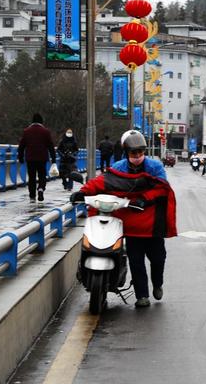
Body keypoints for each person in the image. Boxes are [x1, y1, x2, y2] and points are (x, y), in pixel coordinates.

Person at [71, 130, 176, 308]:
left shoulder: (155, 167)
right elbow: (101, 182)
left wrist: (144, 199)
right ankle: (142, 296)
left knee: (158, 259)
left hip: (152, 224)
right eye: (134, 153)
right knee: (136, 262)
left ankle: (157, 284)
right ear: (127, 153)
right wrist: (83, 192)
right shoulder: (118, 168)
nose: (137, 157)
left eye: (140, 153)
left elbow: (162, 189)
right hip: (131, 225)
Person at [18, 113, 56, 202]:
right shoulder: (46, 131)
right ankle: (41, 189)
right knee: (42, 175)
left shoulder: (26, 131)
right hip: (42, 158)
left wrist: (20, 157)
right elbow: (50, 146)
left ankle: (32, 196)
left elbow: (22, 146)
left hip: (30, 158)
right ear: (41, 121)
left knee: (32, 177)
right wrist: (53, 159)